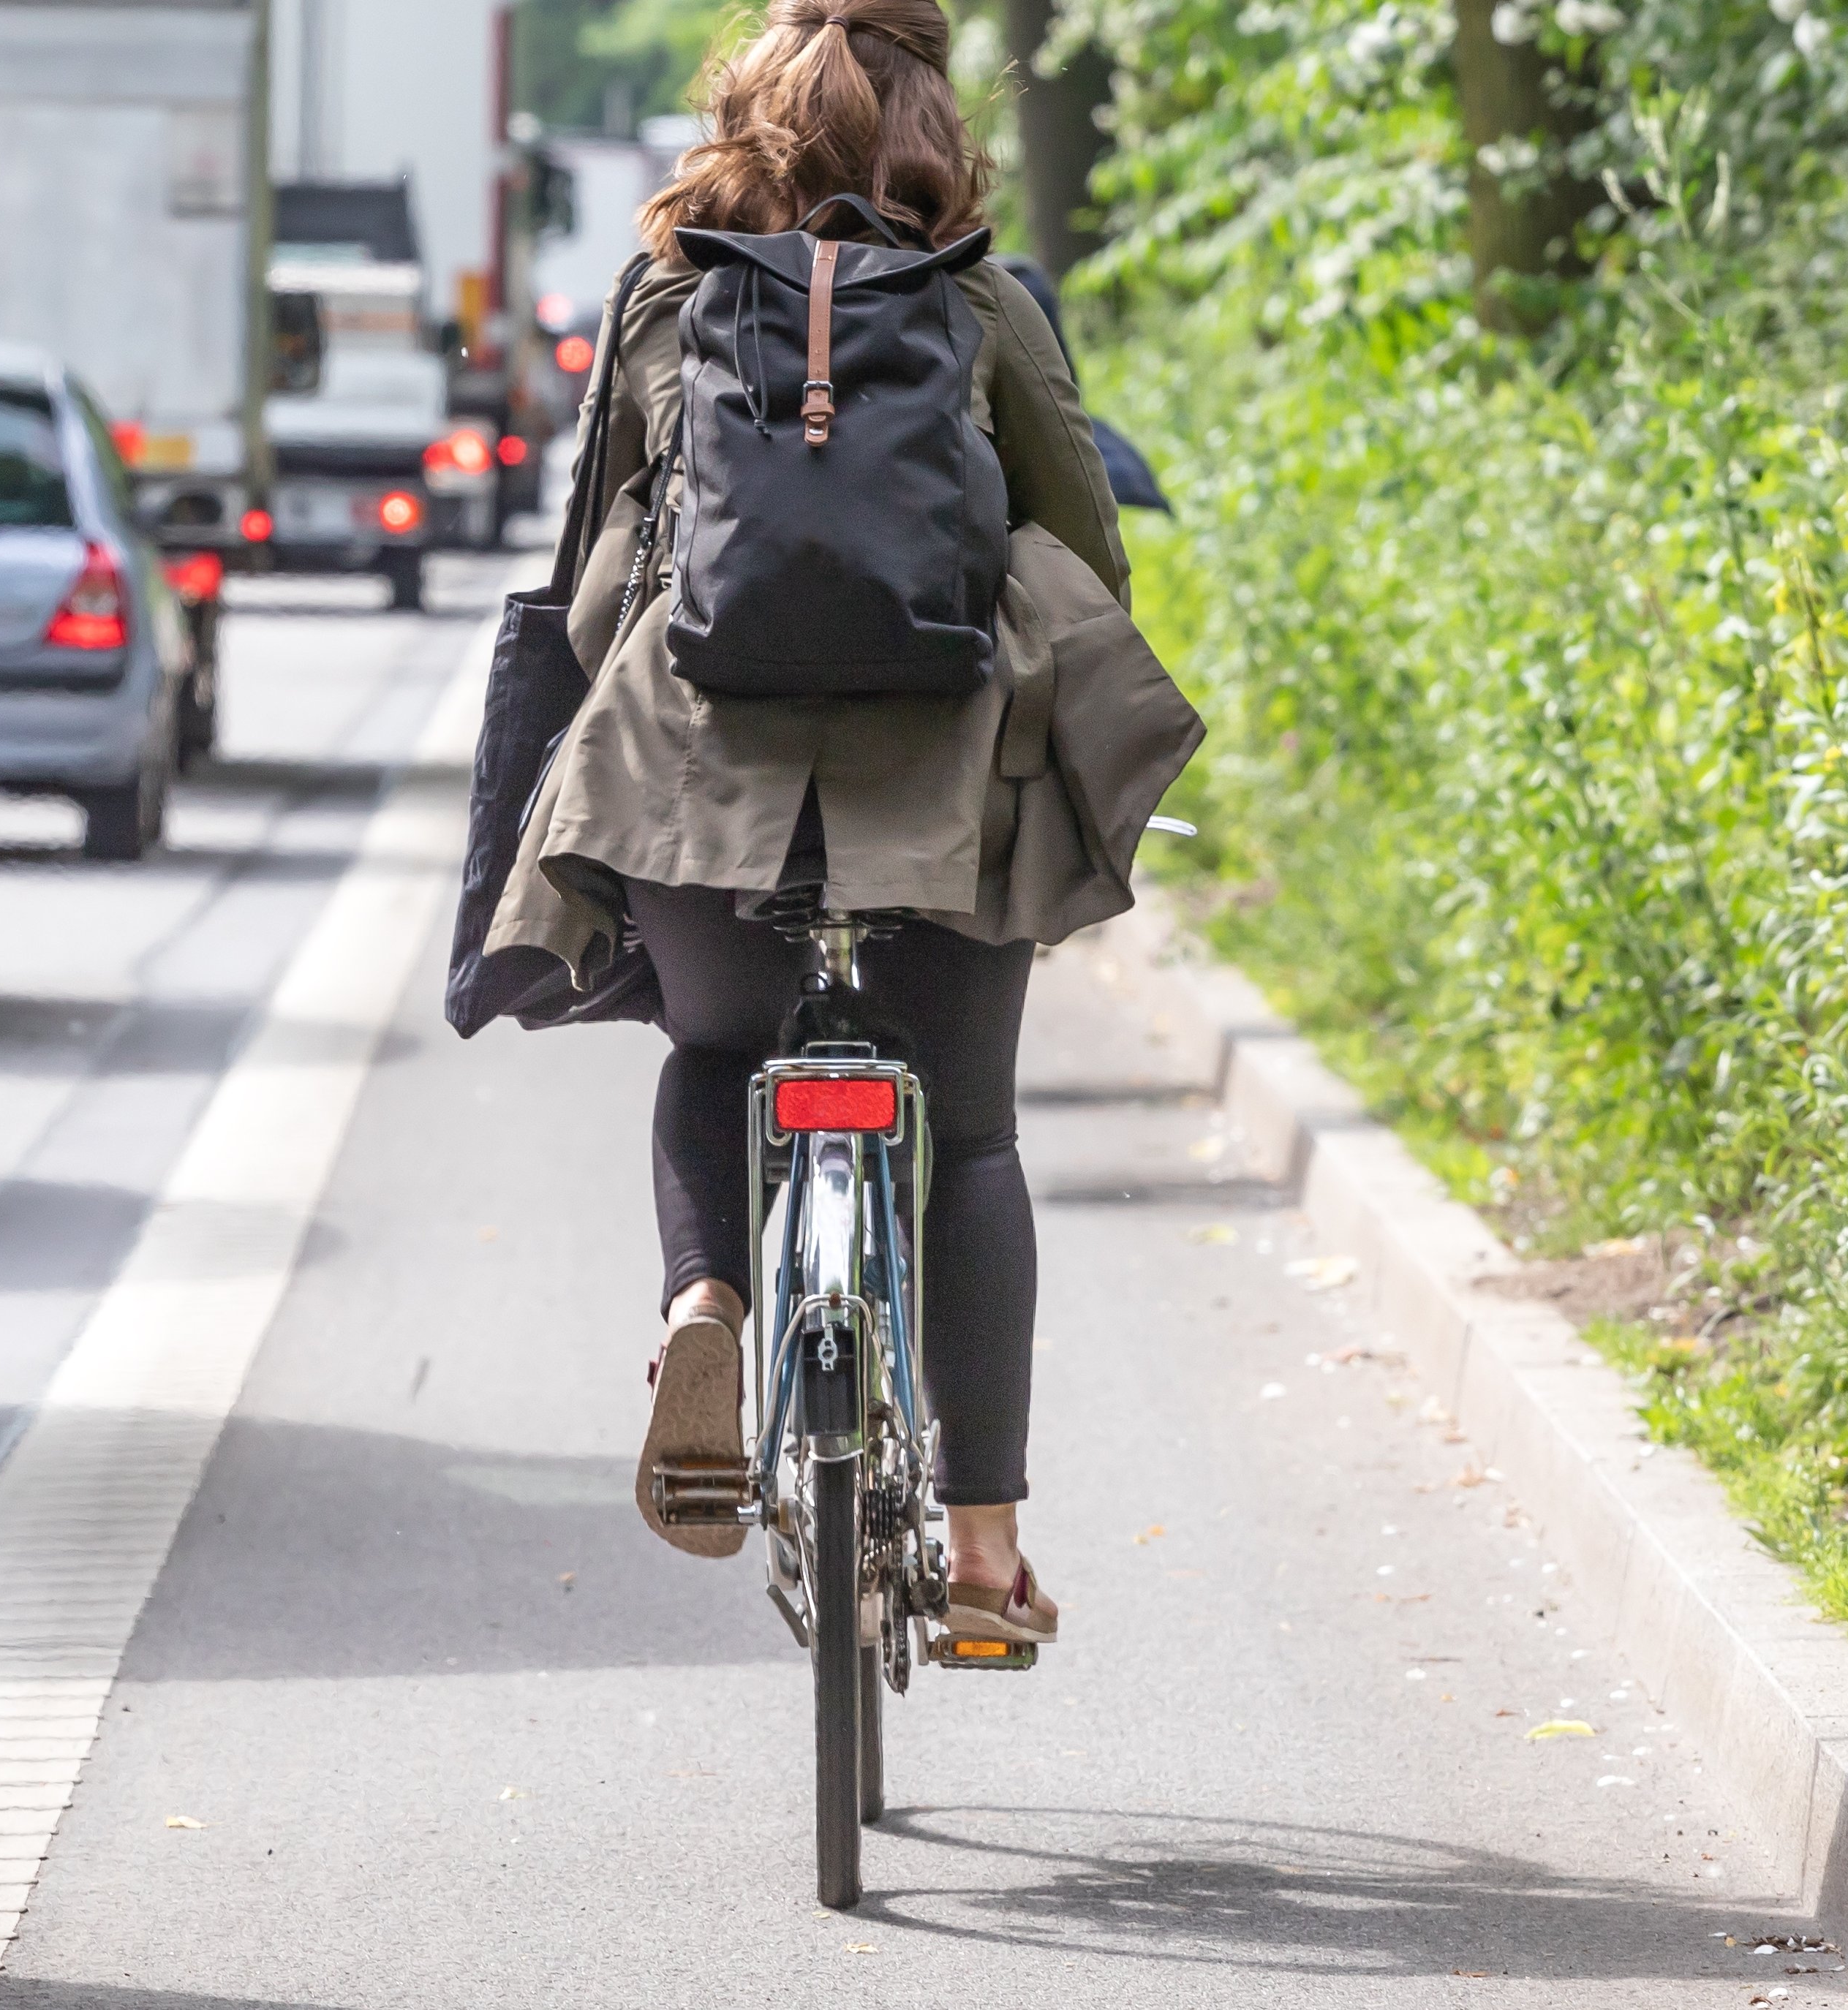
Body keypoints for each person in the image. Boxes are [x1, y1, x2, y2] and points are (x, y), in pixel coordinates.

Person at [473, 0, 1199, 1652]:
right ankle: (984, 1547)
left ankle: (708, 1301)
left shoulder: (668, 295)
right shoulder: (983, 301)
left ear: (741, 117)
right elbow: (1085, 537)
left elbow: (600, 560)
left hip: (693, 788)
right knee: (978, 1137)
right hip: (940, 799)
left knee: (716, 1058)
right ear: (937, 121)